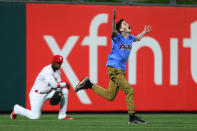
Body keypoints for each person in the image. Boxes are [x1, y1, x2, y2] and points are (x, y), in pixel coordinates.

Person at [75, 8, 152, 124]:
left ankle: (88, 84)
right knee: (130, 90)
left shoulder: (130, 38)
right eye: (125, 24)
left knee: (110, 96)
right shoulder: (117, 37)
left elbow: (138, 38)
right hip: (114, 70)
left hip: (119, 71)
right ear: (121, 29)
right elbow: (113, 31)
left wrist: (144, 32)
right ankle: (132, 118)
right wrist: (114, 19)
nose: (128, 24)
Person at [10, 55, 72, 120]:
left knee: (65, 91)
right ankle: (17, 109)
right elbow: (54, 85)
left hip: (49, 92)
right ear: (53, 62)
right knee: (35, 116)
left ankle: (62, 115)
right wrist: (65, 84)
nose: (59, 65)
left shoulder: (58, 71)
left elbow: (58, 83)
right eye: (57, 62)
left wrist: (59, 92)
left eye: (60, 63)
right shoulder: (46, 70)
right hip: (37, 94)